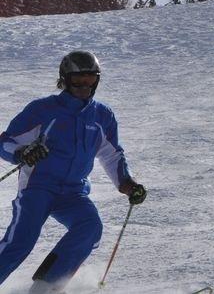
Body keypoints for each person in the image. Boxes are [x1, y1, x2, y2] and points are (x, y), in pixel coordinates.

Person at [0, 51, 146, 292]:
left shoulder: (102, 116)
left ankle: (46, 288)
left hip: (73, 192)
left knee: (90, 227)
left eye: (91, 79)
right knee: (21, 242)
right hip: (38, 187)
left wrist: (127, 184)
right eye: (78, 80)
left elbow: (112, 154)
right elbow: (6, 141)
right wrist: (22, 153)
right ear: (65, 80)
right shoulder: (43, 110)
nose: (84, 86)